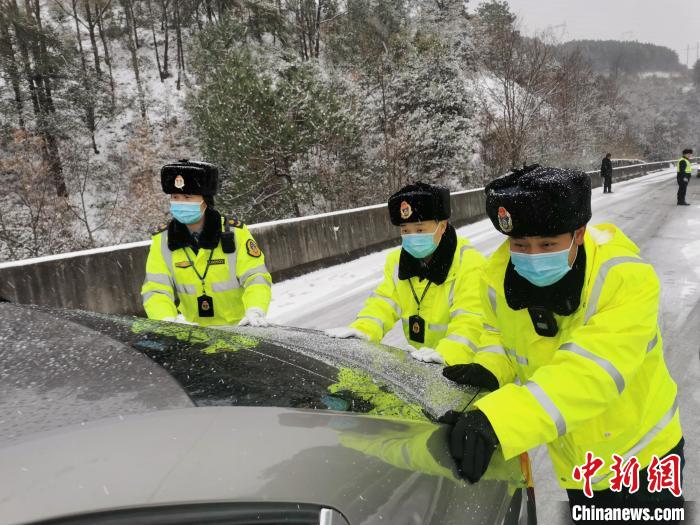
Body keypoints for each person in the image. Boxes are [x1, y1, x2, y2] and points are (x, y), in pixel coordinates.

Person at [441, 165, 684, 523]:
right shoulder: (497, 278)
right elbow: (499, 338)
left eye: (548, 244)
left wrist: (501, 419)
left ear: (579, 234)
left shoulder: (624, 278)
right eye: (520, 245)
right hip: (577, 461)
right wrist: (490, 368)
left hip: (642, 461)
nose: (532, 256)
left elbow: (592, 372)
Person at [325, 182, 485, 366]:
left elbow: (471, 319)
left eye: (420, 229)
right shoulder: (397, 262)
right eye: (405, 231)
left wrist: (447, 355)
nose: (412, 237)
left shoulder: (469, 262)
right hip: (425, 366)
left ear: (441, 226)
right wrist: (363, 330)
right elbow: (383, 303)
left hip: (466, 368)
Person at [141, 159, 272, 327]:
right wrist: (167, 321)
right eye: (175, 197)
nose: (181, 202)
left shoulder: (234, 233)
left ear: (205, 200)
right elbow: (156, 289)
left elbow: (256, 277)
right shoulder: (163, 240)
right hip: (194, 336)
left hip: (241, 329)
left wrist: (256, 308)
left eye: (188, 197)